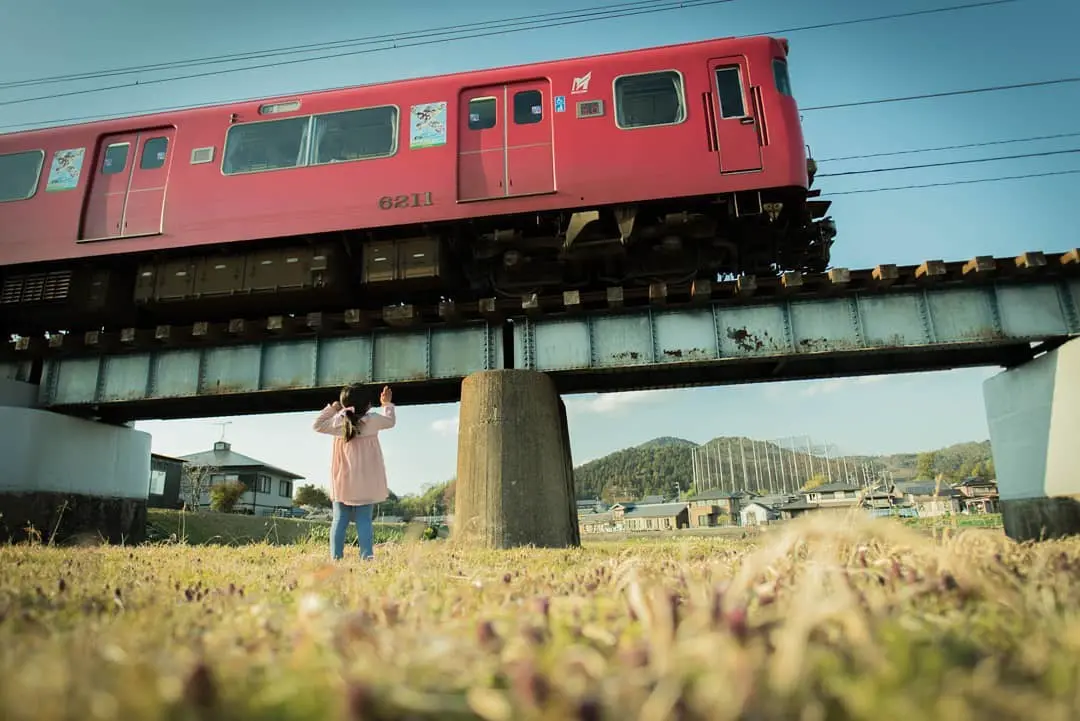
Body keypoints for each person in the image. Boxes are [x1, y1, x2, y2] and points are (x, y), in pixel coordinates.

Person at [312, 384, 396, 560]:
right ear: (368, 405)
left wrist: (333, 408)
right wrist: (386, 403)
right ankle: (367, 557)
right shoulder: (373, 420)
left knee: (339, 518)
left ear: (344, 403)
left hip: (342, 479)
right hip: (366, 480)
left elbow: (317, 425)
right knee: (364, 519)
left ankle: (336, 558)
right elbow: (390, 421)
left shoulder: (338, 421)